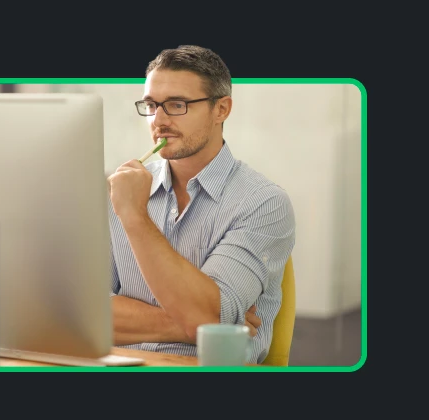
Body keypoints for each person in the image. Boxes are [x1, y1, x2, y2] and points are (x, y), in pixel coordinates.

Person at [107, 45, 296, 365]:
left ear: (221, 109)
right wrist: (191, 327)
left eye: (177, 105)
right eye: (151, 105)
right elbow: (76, 315)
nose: (159, 120)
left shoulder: (264, 203)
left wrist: (134, 215)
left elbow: (207, 316)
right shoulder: (118, 189)